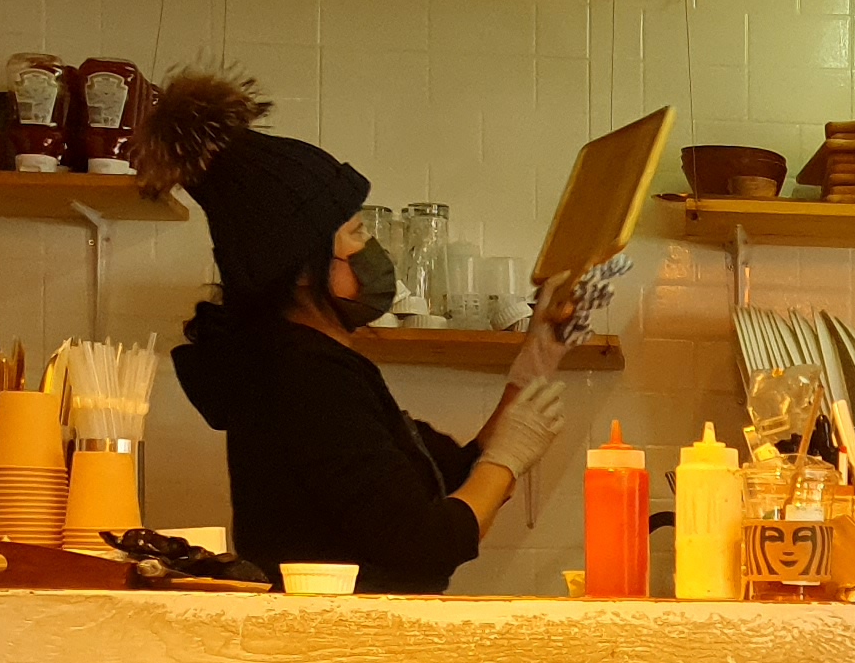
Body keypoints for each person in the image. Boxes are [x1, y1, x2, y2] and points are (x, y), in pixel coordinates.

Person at [138, 69, 588, 592]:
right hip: (328, 635)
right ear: (301, 267)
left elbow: (454, 477)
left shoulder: (308, 367)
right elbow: (425, 542)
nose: (372, 250)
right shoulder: (306, 379)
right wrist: (508, 461)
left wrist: (538, 357)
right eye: (355, 234)